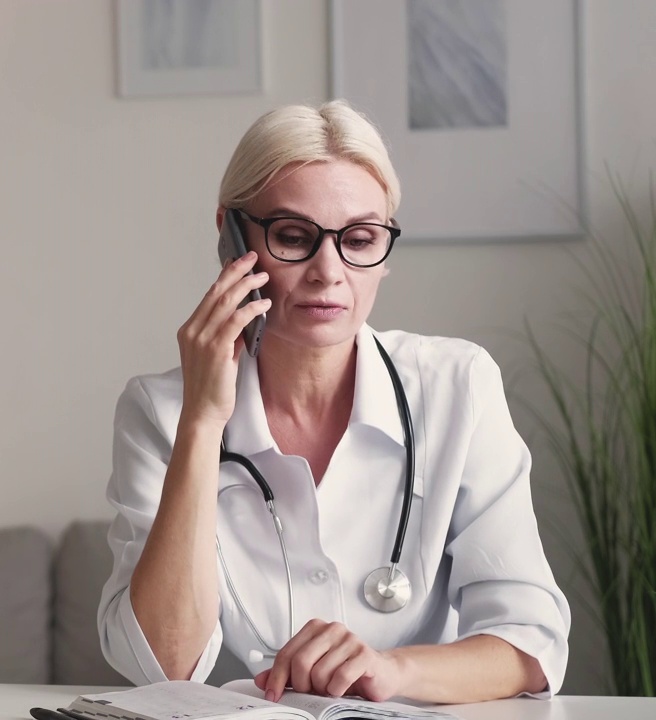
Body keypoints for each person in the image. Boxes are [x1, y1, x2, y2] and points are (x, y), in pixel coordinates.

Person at [96, 100, 570, 704]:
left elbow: (531, 640)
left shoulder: (459, 385)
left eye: (360, 239)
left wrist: (394, 671)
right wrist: (201, 423)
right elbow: (159, 664)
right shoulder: (159, 411)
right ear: (231, 236)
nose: (329, 271)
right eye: (293, 237)